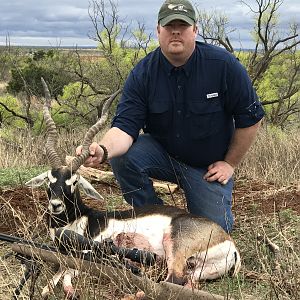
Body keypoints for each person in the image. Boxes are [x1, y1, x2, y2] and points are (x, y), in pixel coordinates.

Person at [76, 0, 265, 233]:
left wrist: (229, 163)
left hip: (206, 167)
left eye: (182, 26)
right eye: (169, 26)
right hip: (162, 155)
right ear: (158, 31)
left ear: (195, 30)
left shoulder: (224, 66)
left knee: (212, 232)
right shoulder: (143, 73)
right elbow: (125, 127)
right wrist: (102, 150)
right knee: (122, 157)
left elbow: (251, 118)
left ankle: (198, 210)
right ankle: (154, 219)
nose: (175, 31)